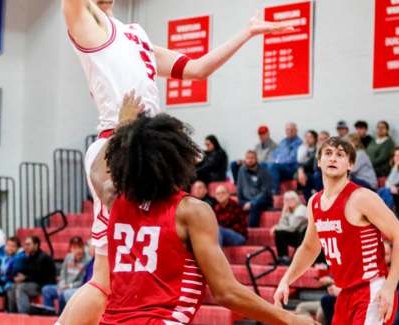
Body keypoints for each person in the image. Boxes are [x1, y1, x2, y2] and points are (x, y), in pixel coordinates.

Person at [26, 0, 293, 325]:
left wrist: (247, 33)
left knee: (113, 276)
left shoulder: (134, 35)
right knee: (106, 276)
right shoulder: (84, 25)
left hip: (150, 150)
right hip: (117, 145)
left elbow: (199, 69)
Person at [89, 108, 317, 325]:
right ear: (176, 159)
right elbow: (226, 292)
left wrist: (121, 129)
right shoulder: (190, 210)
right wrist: (290, 319)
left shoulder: (114, 199)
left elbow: (96, 171)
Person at [274, 137, 399, 324]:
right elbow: (309, 248)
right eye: (328, 153)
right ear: (319, 162)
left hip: (371, 290)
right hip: (345, 294)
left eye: (340, 155)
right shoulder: (314, 202)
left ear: (350, 165)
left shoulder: (361, 197)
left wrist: (389, 286)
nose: (333, 158)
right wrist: (286, 280)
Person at [7, 235, 56, 314]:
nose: (26, 247)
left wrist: (25, 278)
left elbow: (40, 277)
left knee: (21, 288)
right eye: (25, 244)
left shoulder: (43, 258)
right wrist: (19, 277)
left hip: (43, 285)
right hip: (31, 282)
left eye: (28, 244)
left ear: (36, 245)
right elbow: (17, 271)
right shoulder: (27, 257)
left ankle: (24, 314)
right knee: (12, 287)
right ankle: (13, 314)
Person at [42, 237, 90, 314]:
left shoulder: (87, 260)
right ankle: (49, 315)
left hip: (75, 288)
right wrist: (62, 285)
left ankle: (61, 317)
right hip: (64, 286)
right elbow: (62, 273)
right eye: (74, 247)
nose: (78, 250)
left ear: (83, 247)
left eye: (80, 247)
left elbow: (83, 281)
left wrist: (69, 286)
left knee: (64, 294)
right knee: (46, 289)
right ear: (70, 248)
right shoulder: (68, 257)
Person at [237, 148, 274, 228]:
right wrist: (241, 201)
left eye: (252, 158)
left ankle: (251, 230)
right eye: (248, 158)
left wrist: (252, 203)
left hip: (262, 200)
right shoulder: (241, 170)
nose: (250, 160)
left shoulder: (264, 171)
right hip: (246, 200)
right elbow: (239, 187)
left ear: (256, 159)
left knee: (255, 206)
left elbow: (265, 192)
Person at [272, 191, 308, 265]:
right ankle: (283, 257)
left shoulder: (301, 209)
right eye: (286, 200)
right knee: (279, 233)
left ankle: (286, 259)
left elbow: (292, 228)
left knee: (279, 231)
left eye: (291, 199)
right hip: (296, 235)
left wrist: (277, 228)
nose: (289, 201)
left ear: (296, 199)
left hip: (303, 237)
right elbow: (281, 224)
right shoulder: (290, 210)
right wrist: (284, 211)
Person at [269, 123, 302, 194]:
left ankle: (275, 191)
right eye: (287, 130)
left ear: (296, 130)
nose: (289, 131)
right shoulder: (283, 141)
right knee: (263, 165)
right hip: (280, 167)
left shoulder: (299, 142)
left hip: (290, 168)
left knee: (274, 166)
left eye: (292, 130)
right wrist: (276, 161)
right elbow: (275, 154)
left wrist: (278, 162)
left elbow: (292, 159)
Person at [297, 130, 318, 198]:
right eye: (306, 137)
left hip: (315, 170)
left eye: (310, 137)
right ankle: (308, 201)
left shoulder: (318, 148)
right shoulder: (302, 148)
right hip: (305, 171)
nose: (308, 139)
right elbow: (300, 160)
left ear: (315, 139)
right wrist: (305, 147)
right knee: (303, 177)